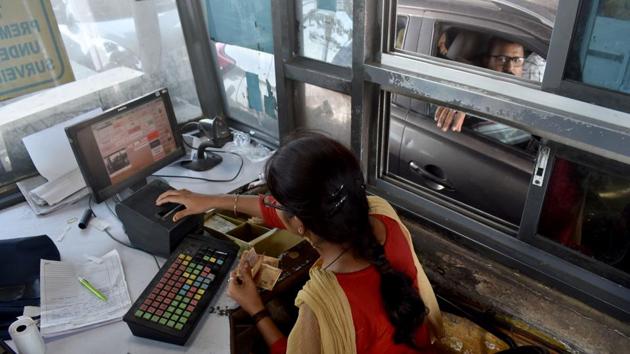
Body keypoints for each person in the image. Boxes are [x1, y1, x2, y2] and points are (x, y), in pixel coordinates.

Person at [156, 133, 443, 353]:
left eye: (278, 202)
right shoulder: (382, 213)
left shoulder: (323, 302)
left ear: (300, 224)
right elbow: (281, 212)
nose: (271, 205)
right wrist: (210, 201)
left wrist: (255, 308)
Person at [434, 37, 526, 132]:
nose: (510, 68)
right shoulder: (470, 91)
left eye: (517, 60)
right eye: (502, 59)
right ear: (486, 61)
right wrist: (461, 100)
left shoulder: (530, 95)